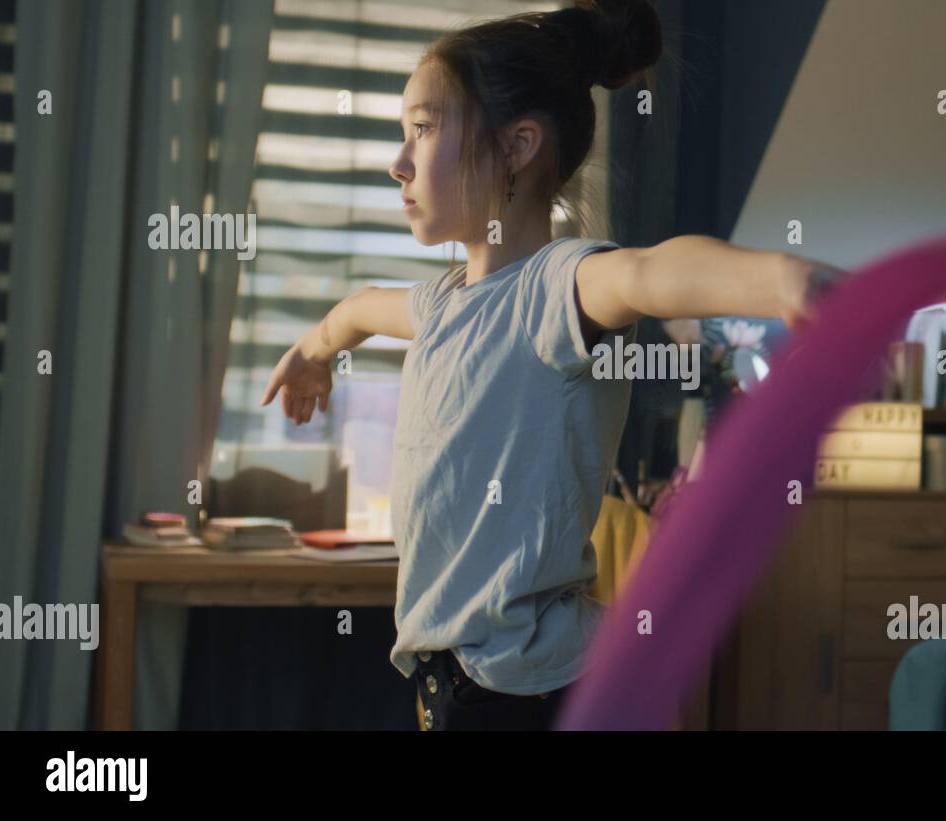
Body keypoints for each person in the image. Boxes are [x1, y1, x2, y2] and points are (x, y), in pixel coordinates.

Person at [260, 0, 844, 731]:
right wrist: (316, 350)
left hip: (524, 695)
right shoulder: (444, 304)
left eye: (423, 128)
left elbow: (649, 273)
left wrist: (782, 279)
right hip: (455, 682)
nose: (397, 162)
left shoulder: (555, 288)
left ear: (517, 145)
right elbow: (359, 307)